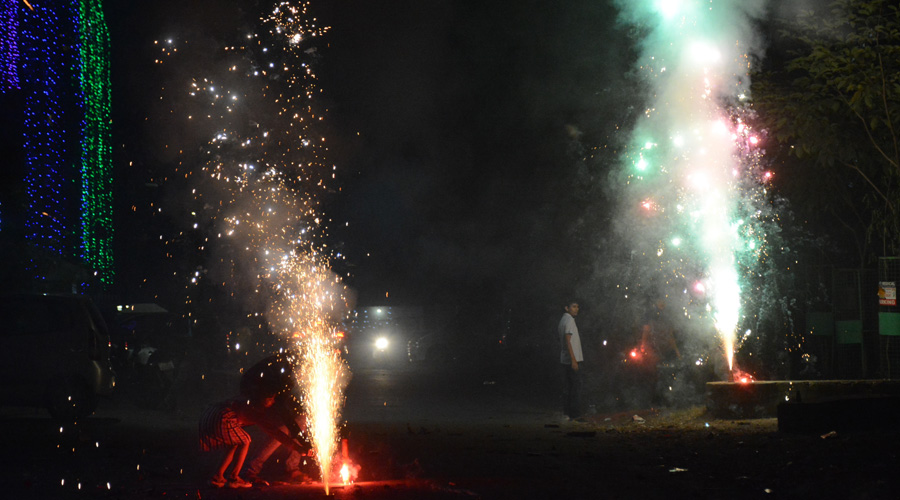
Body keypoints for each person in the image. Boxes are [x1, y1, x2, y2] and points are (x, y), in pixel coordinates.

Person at [240, 351, 309, 485]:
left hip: (269, 393)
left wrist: (303, 441)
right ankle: (250, 471)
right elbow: (283, 411)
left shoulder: (289, 370)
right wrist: (302, 442)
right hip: (255, 392)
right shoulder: (280, 373)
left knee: (301, 420)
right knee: (279, 430)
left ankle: (292, 469)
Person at [199, 396, 274, 488]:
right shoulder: (255, 406)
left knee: (235, 443)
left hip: (209, 414)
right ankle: (234, 478)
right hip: (222, 416)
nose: (274, 401)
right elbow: (268, 428)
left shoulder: (248, 398)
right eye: (272, 399)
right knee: (245, 440)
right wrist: (293, 445)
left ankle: (217, 476)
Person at [640, 298, 681, 404]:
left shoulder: (667, 317)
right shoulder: (651, 315)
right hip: (655, 348)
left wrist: (676, 351)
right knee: (656, 373)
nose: (662, 304)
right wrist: (643, 345)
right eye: (659, 301)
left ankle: (667, 398)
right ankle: (655, 399)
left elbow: (670, 335)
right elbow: (646, 330)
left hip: (665, 348)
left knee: (667, 373)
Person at [558, 300, 584, 420]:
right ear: (566, 308)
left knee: (568, 387)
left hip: (565, 359)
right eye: (573, 306)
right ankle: (576, 414)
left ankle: (567, 413)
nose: (576, 309)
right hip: (572, 359)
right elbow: (568, 340)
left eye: (577, 307)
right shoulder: (569, 320)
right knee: (575, 387)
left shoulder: (563, 320)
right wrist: (574, 360)